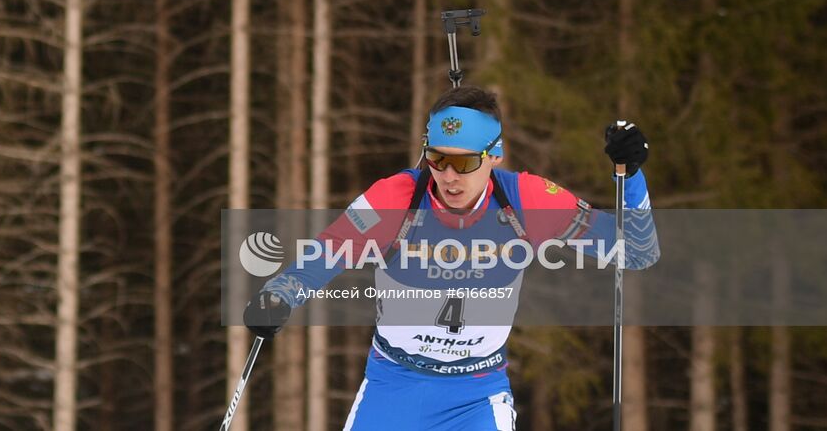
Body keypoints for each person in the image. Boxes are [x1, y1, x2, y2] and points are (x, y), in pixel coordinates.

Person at [244, 85, 659, 430]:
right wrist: (280, 293)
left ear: (494, 156)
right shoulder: (395, 198)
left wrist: (631, 175)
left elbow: (636, 252)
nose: (448, 176)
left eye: (463, 162)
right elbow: (328, 251)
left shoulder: (526, 200)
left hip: (475, 395)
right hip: (394, 385)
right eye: (437, 158)